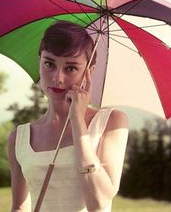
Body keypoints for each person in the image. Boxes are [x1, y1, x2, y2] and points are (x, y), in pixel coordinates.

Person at [7, 20, 129, 212]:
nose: (57, 77)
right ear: (39, 61)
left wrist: (78, 122)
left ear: (89, 72)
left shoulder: (112, 123)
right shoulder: (19, 138)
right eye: (49, 64)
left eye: (70, 68)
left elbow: (98, 203)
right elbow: (19, 208)